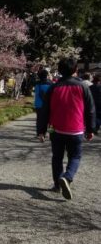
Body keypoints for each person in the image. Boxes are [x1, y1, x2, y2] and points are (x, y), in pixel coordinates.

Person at [37, 58, 96, 200]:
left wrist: (41, 130)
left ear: (60, 70)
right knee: (75, 156)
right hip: (76, 130)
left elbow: (44, 111)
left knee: (57, 157)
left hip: (56, 130)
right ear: (75, 70)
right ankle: (67, 177)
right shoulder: (83, 87)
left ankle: (58, 184)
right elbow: (90, 110)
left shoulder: (54, 87)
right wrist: (90, 129)